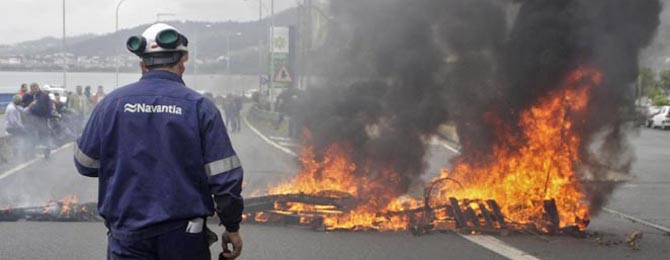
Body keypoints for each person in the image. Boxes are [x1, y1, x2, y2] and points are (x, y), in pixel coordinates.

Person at [74, 23, 244, 260]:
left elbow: (85, 163)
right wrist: (231, 226)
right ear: (182, 61)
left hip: (126, 233)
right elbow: (225, 178)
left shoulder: (111, 104)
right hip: (184, 235)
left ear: (142, 63)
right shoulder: (200, 107)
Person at [5, 95, 28, 159]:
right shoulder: (12, 108)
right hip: (11, 127)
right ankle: (18, 152)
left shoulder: (14, 106)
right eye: (20, 102)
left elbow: (22, 110)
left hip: (13, 127)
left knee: (21, 135)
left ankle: (18, 151)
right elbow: (14, 121)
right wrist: (22, 127)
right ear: (17, 101)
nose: (21, 103)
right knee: (25, 135)